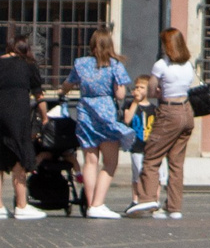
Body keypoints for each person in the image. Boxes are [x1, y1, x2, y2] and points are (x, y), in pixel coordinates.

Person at [128, 28, 197, 221]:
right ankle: (174, 208)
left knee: (151, 157)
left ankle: (148, 198)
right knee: (176, 162)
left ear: (167, 45)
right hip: (187, 111)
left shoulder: (161, 65)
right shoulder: (188, 65)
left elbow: (151, 90)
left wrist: (157, 91)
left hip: (169, 112)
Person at [68, 28, 135, 219]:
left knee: (90, 161)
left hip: (85, 111)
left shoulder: (80, 63)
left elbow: (68, 83)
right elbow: (121, 94)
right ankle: (98, 203)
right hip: (105, 112)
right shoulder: (115, 65)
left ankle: (90, 205)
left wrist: (62, 93)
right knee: (110, 162)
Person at [0, 33, 49, 221]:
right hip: (17, 115)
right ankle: (21, 205)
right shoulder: (28, 65)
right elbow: (39, 95)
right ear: (24, 49)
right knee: (20, 157)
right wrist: (44, 117)